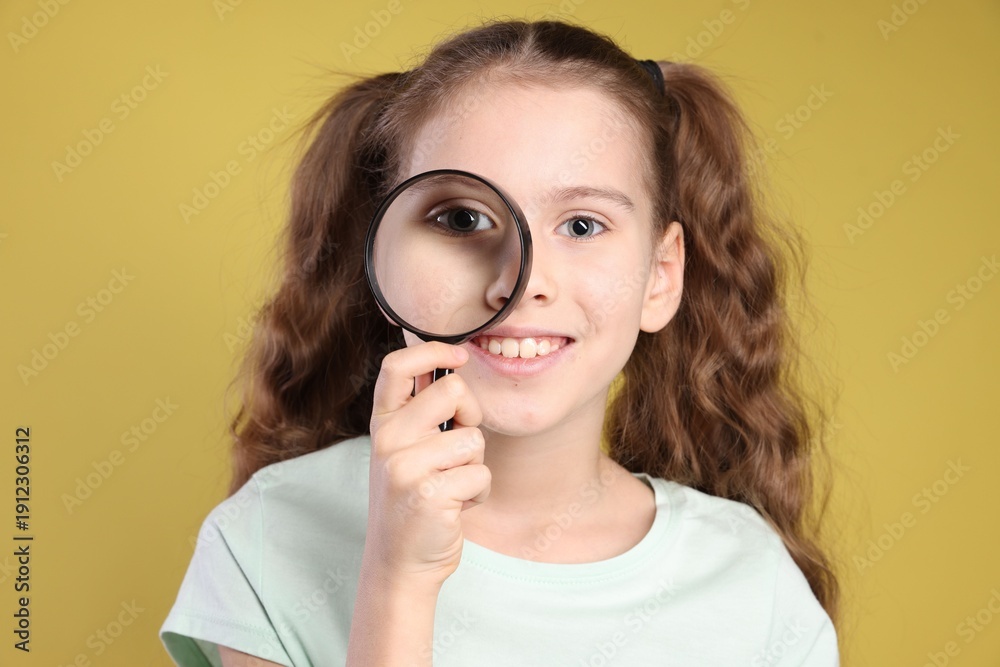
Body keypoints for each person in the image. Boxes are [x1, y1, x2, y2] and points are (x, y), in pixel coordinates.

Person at [159, 17, 842, 666]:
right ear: (382, 254)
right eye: (462, 219)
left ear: (661, 277)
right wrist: (399, 578)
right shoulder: (270, 534)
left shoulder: (753, 583)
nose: (522, 282)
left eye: (581, 225)